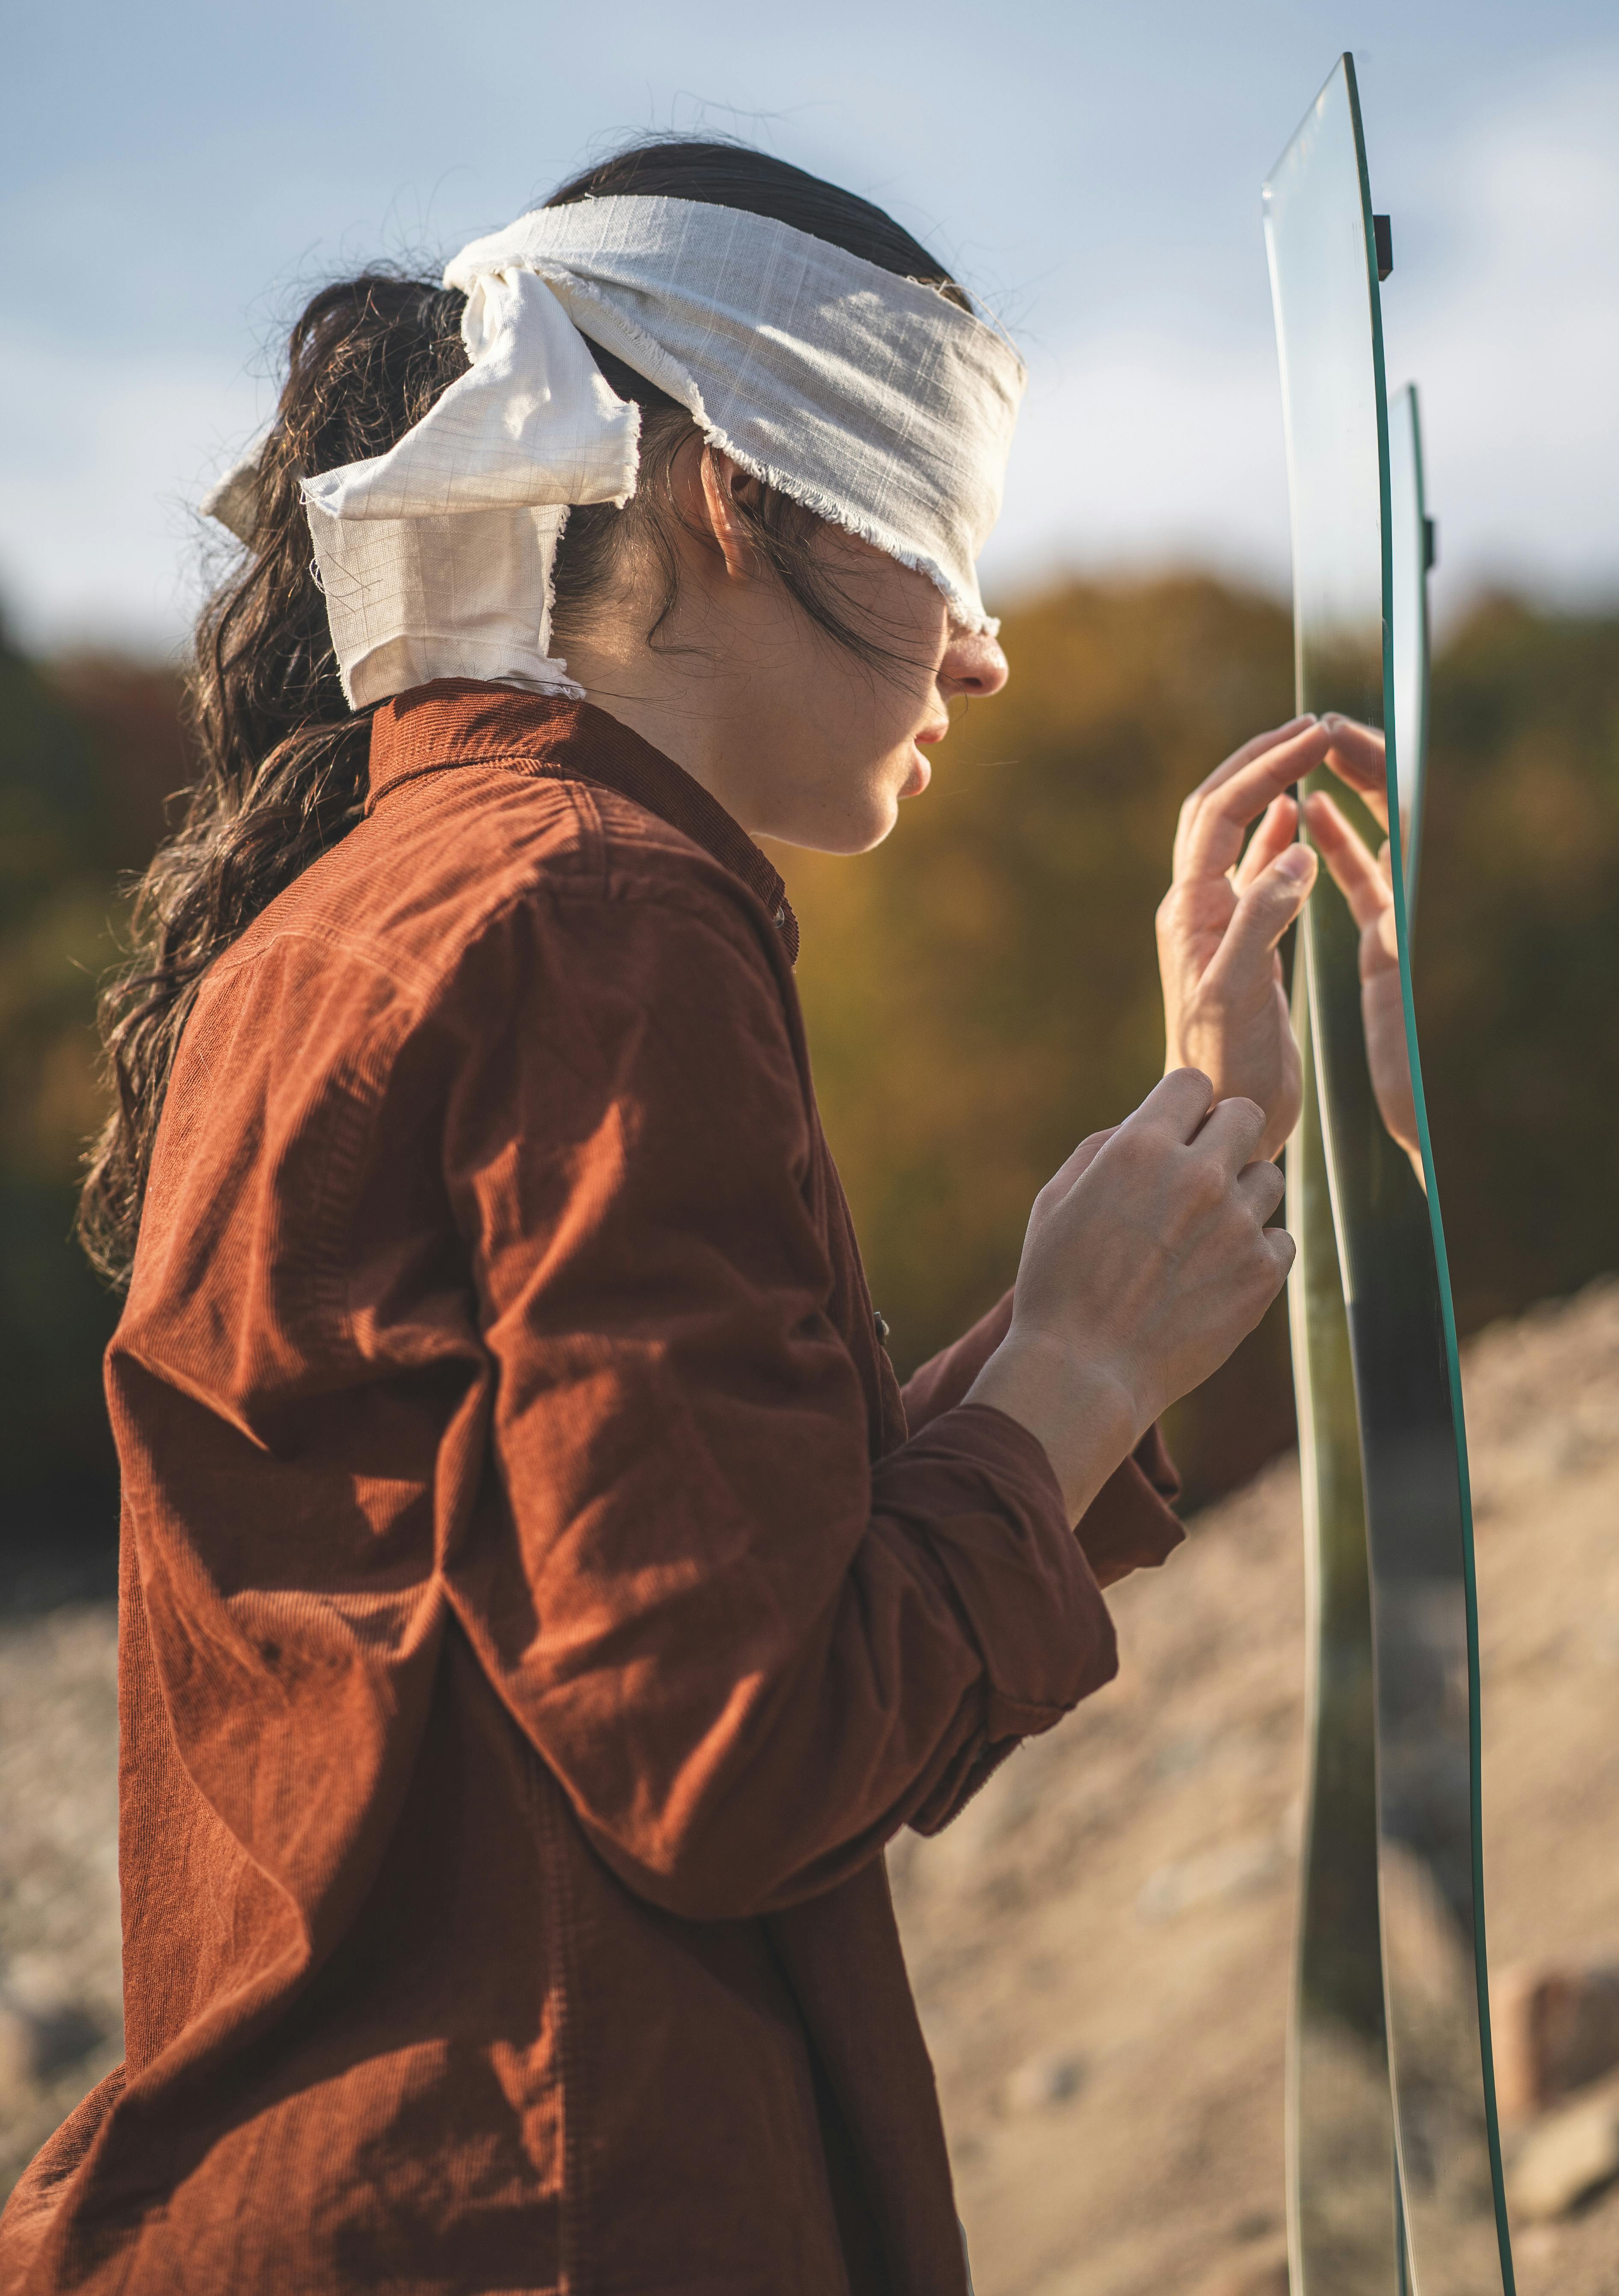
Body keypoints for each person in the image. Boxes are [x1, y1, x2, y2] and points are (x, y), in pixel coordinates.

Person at [3, 144, 1328, 2296]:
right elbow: (735, 1754)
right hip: (549, 2222)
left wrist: (1198, 1131)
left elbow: (684, 1616)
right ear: (732, 498)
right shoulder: (609, 913)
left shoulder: (384, 901)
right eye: (939, 526)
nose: (984, 652)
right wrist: (1078, 1370)